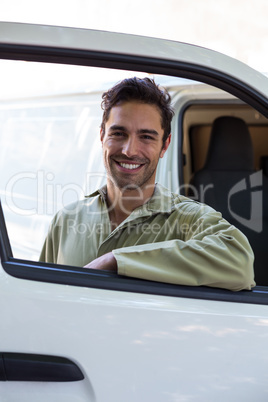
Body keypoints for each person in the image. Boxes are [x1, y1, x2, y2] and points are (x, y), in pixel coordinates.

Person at [40, 77, 255, 291]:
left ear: (165, 145)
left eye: (146, 137)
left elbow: (240, 264)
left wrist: (116, 261)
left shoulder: (189, 218)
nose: (129, 151)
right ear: (102, 136)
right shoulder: (65, 220)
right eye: (118, 133)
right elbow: (41, 297)